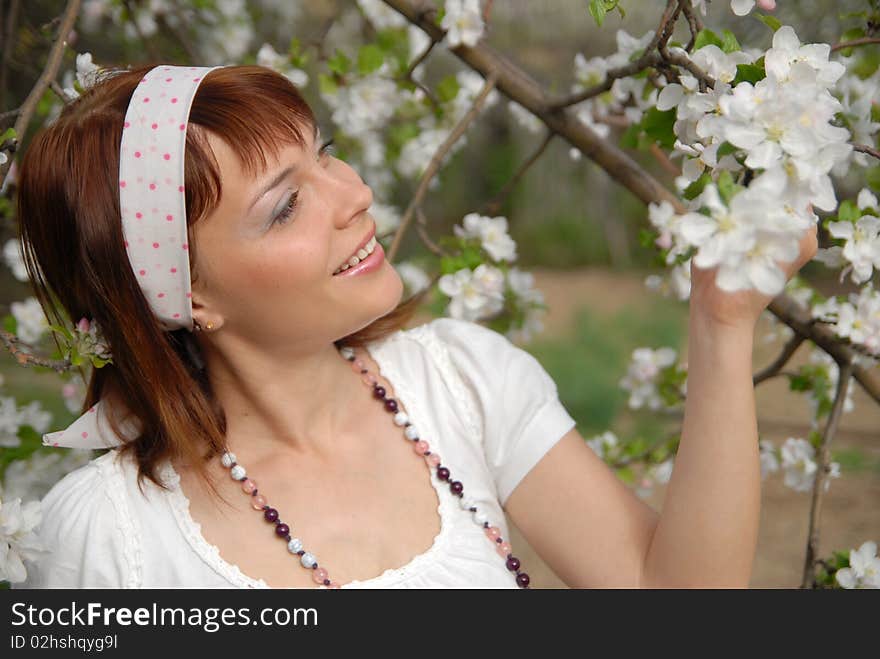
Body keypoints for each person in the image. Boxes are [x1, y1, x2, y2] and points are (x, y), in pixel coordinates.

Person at [11, 63, 817, 589]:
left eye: (324, 152)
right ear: (186, 298)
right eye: (286, 204)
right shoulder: (110, 538)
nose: (353, 194)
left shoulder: (461, 382)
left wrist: (722, 322)